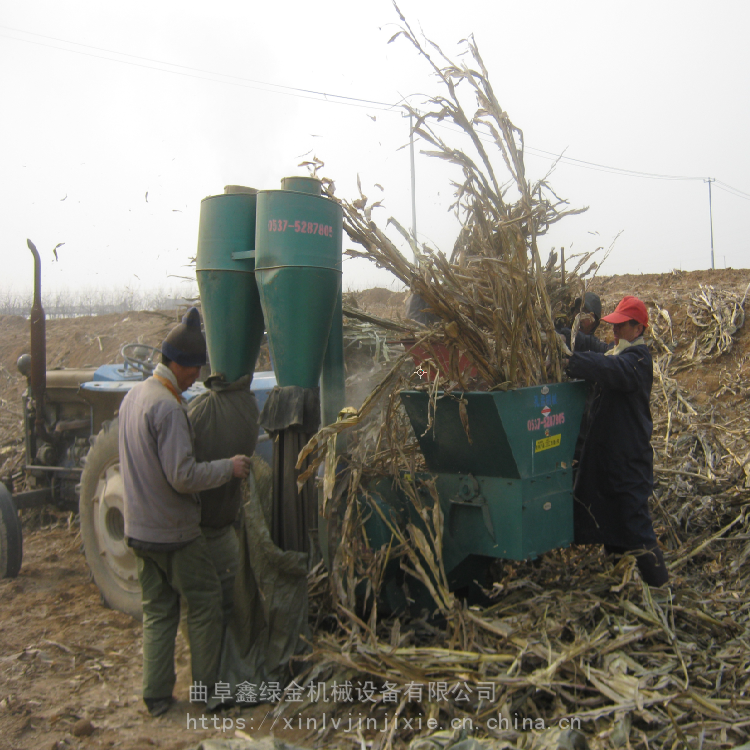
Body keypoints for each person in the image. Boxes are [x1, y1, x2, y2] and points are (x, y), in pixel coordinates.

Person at [119, 307, 252, 717]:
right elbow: (182, 476)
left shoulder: (134, 397)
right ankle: (207, 694)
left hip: (139, 531)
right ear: (175, 363)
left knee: (159, 611)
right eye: (193, 368)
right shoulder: (169, 409)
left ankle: (157, 697)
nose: (196, 376)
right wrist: (227, 468)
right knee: (208, 602)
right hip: (173, 533)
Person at [565, 295, 669, 587]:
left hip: (629, 465)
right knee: (610, 528)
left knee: (638, 532)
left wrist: (571, 361)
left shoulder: (637, 362)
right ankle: (617, 590)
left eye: (621, 327)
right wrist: (560, 336)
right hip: (611, 463)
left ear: (637, 329)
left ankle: (661, 594)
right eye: (612, 326)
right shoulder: (618, 353)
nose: (614, 332)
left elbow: (607, 369)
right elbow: (594, 349)